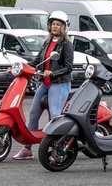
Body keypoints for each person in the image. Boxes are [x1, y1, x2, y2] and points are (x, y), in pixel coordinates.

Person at [12, 10, 74, 160]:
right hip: (45, 84)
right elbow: (37, 60)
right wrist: (21, 67)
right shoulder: (47, 42)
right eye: (53, 24)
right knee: (33, 113)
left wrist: (53, 73)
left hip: (59, 84)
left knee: (54, 115)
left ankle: (58, 149)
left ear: (64, 27)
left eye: (58, 24)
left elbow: (68, 67)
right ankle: (27, 148)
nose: (55, 27)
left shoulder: (66, 44)